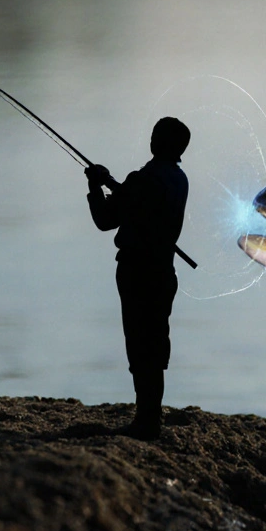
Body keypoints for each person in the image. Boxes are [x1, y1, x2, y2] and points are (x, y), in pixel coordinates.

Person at [86, 117, 190, 439]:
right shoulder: (179, 178)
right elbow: (138, 202)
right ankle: (150, 416)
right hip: (164, 270)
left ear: (154, 143)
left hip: (136, 271)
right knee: (156, 342)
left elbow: (105, 220)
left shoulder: (141, 180)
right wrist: (116, 185)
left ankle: (146, 421)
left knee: (139, 343)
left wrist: (95, 185)